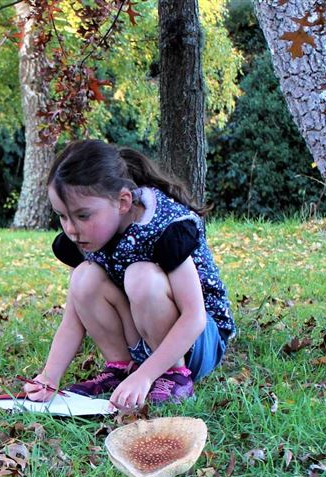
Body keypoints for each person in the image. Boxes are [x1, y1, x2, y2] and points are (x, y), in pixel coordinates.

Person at [22, 140, 234, 410]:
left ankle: (173, 375)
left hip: (198, 343)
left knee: (140, 275)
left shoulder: (165, 227)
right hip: (142, 334)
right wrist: (49, 377)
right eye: (62, 216)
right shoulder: (85, 238)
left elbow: (195, 317)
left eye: (82, 215)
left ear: (123, 201)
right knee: (84, 278)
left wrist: (146, 376)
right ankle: (120, 368)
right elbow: (73, 318)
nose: (71, 229)